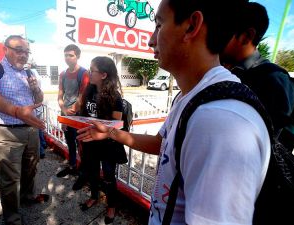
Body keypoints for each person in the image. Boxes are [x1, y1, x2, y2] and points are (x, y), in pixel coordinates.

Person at [77, 0, 271, 224]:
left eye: (159, 25)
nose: (151, 40)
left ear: (191, 26)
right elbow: (162, 143)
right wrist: (110, 132)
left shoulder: (220, 120)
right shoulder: (191, 96)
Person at [0, 35, 47, 225]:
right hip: (6, 132)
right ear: (5, 49)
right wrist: (18, 112)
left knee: (31, 168)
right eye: (19, 50)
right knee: (9, 178)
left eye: (26, 51)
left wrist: (35, 89)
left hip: (31, 130)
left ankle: (27, 196)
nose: (23, 55)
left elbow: (39, 99)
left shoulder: (30, 72)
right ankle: (12, 217)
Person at [220, 2, 294, 150]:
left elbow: (266, 145)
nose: (215, 39)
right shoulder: (225, 71)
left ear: (246, 36)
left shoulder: (274, 80)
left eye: (224, 32)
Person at [78, 56, 127, 224]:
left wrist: (104, 132)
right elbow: (84, 115)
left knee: (108, 176)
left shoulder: (115, 97)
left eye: (92, 70)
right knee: (92, 172)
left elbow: (117, 125)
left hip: (107, 146)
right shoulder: (89, 91)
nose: (89, 73)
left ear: (104, 75)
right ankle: (94, 196)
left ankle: (111, 206)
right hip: (90, 143)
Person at [56, 44, 90, 190]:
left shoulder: (84, 73)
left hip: (79, 117)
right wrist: (64, 112)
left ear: (77, 56)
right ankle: (71, 166)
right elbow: (60, 95)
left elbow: (82, 97)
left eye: (71, 55)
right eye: (66, 55)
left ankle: (83, 175)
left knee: (81, 146)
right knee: (69, 142)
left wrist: (72, 111)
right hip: (67, 115)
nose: (67, 58)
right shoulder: (62, 74)